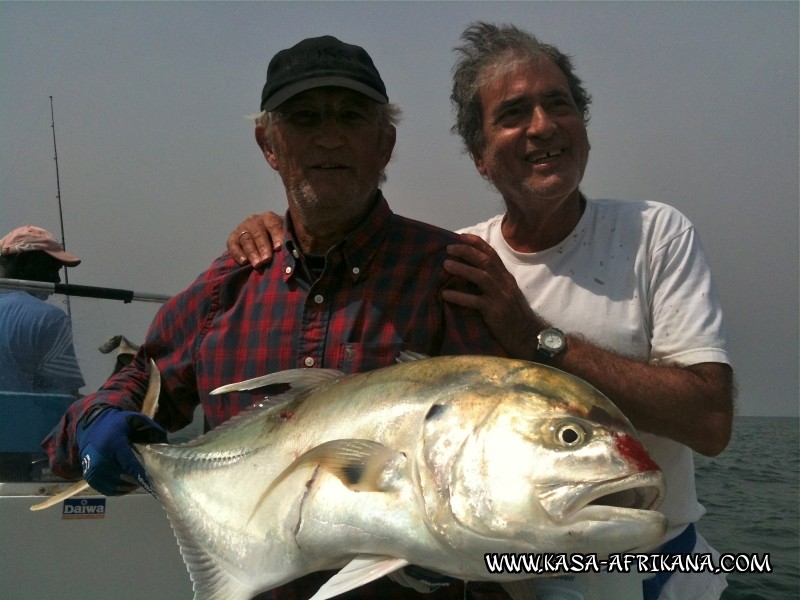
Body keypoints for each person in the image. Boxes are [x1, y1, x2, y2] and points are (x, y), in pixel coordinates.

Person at [228, 22, 734, 600]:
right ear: (479, 156)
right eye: (514, 114)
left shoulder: (653, 234)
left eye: (558, 105)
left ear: (584, 128)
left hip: (652, 567)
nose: (542, 126)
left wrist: (535, 338)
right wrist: (274, 234)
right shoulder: (456, 259)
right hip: (511, 576)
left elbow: (710, 423)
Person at [43, 35, 509, 600]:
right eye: (304, 117)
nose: (328, 136)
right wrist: (98, 422)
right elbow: (133, 385)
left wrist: (475, 562)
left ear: (385, 143)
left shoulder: (449, 277)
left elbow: (498, 464)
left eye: (351, 116)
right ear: (268, 143)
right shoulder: (226, 287)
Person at [0, 225, 85, 396]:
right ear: (23, 263)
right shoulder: (49, 318)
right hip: (22, 422)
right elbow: (63, 398)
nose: (57, 279)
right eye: (51, 268)